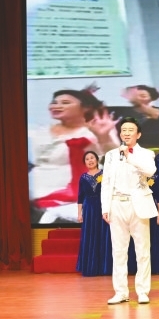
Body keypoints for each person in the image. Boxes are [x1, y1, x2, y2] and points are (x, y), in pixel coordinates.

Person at [30, 87, 120, 224]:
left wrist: (103, 137)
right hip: (36, 189)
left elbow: (115, 158)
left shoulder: (96, 130)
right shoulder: (38, 131)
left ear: (85, 108)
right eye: (54, 102)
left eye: (65, 103)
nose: (56, 106)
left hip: (76, 192)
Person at [100, 117, 158, 304]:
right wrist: (105, 207)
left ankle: (142, 291)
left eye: (130, 130)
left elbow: (150, 171)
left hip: (138, 204)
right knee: (118, 251)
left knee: (142, 251)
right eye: (123, 130)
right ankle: (121, 292)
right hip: (117, 203)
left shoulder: (146, 153)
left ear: (138, 134)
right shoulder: (111, 155)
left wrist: (129, 157)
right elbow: (106, 182)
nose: (126, 133)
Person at [76, 151, 112, 277]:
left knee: (104, 235)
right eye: (87, 159)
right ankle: (90, 267)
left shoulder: (105, 174)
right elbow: (80, 197)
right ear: (85, 163)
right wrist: (79, 213)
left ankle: (105, 267)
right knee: (90, 236)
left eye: (92, 158)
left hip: (103, 207)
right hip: (89, 209)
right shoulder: (83, 177)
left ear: (97, 160)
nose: (90, 160)